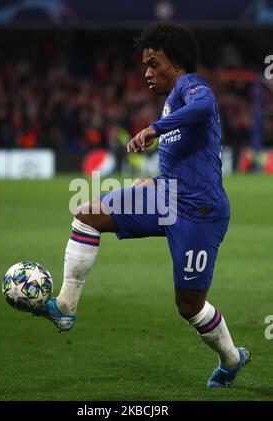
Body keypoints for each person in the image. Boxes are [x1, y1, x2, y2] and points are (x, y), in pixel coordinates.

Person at [32, 22, 251, 387]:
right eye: (144, 65)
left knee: (189, 307)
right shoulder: (170, 103)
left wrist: (154, 128)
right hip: (165, 197)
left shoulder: (189, 86)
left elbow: (205, 104)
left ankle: (230, 359)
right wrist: (151, 182)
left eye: (154, 63)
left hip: (200, 212)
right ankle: (65, 308)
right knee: (87, 214)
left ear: (177, 63)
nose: (147, 73)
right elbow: (180, 161)